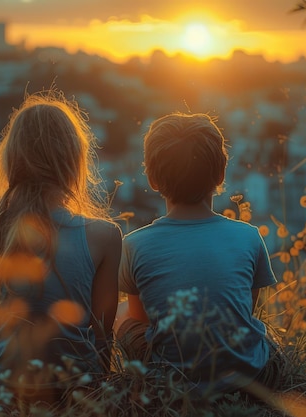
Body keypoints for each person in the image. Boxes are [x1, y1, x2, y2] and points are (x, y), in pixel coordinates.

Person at [0, 90, 122, 404]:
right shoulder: (104, 235)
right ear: (74, 159)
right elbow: (103, 334)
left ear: (12, 159)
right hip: (75, 381)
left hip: (7, 380)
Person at [117, 112, 280, 396]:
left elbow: (143, 320)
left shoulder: (134, 244)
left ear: (152, 178)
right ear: (221, 174)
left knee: (121, 315)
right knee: (265, 334)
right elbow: (243, 312)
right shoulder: (249, 236)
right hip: (251, 379)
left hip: (169, 383)